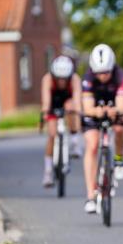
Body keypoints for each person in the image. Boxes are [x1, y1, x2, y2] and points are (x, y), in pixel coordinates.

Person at [81, 43, 123, 214]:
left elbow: (122, 106)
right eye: (99, 73)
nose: (102, 76)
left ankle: (119, 158)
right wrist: (97, 111)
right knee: (93, 144)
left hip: (113, 106)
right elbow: (87, 108)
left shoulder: (120, 75)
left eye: (106, 72)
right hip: (94, 109)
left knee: (119, 128)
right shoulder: (88, 77)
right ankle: (90, 195)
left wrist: (114, 111)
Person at [40, 55, 82, 186]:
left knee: (71, 107)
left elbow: (77, 100)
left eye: (65, 79)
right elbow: (46, 101)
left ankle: (75, 142)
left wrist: (77, 111)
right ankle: (48, 172)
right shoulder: (47, 79)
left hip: (68, 101)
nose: (62, 82)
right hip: (53, 102)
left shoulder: (75, 79)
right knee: (52, 135)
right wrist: (45, 113)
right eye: (59, 78)